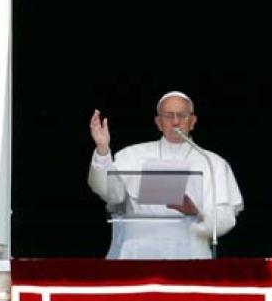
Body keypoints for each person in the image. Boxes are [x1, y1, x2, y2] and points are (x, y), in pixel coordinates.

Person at [88, 91, 243, 259]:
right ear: (158, 122)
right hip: (138, 254)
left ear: (192, 121)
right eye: (168, 116)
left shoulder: (213, 162)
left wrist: (197, 214)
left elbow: (226, 218)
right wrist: (102, 149)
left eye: (182, 115)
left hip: (190, 254)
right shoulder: (132, 155)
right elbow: (110, 193)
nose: (175, 122)